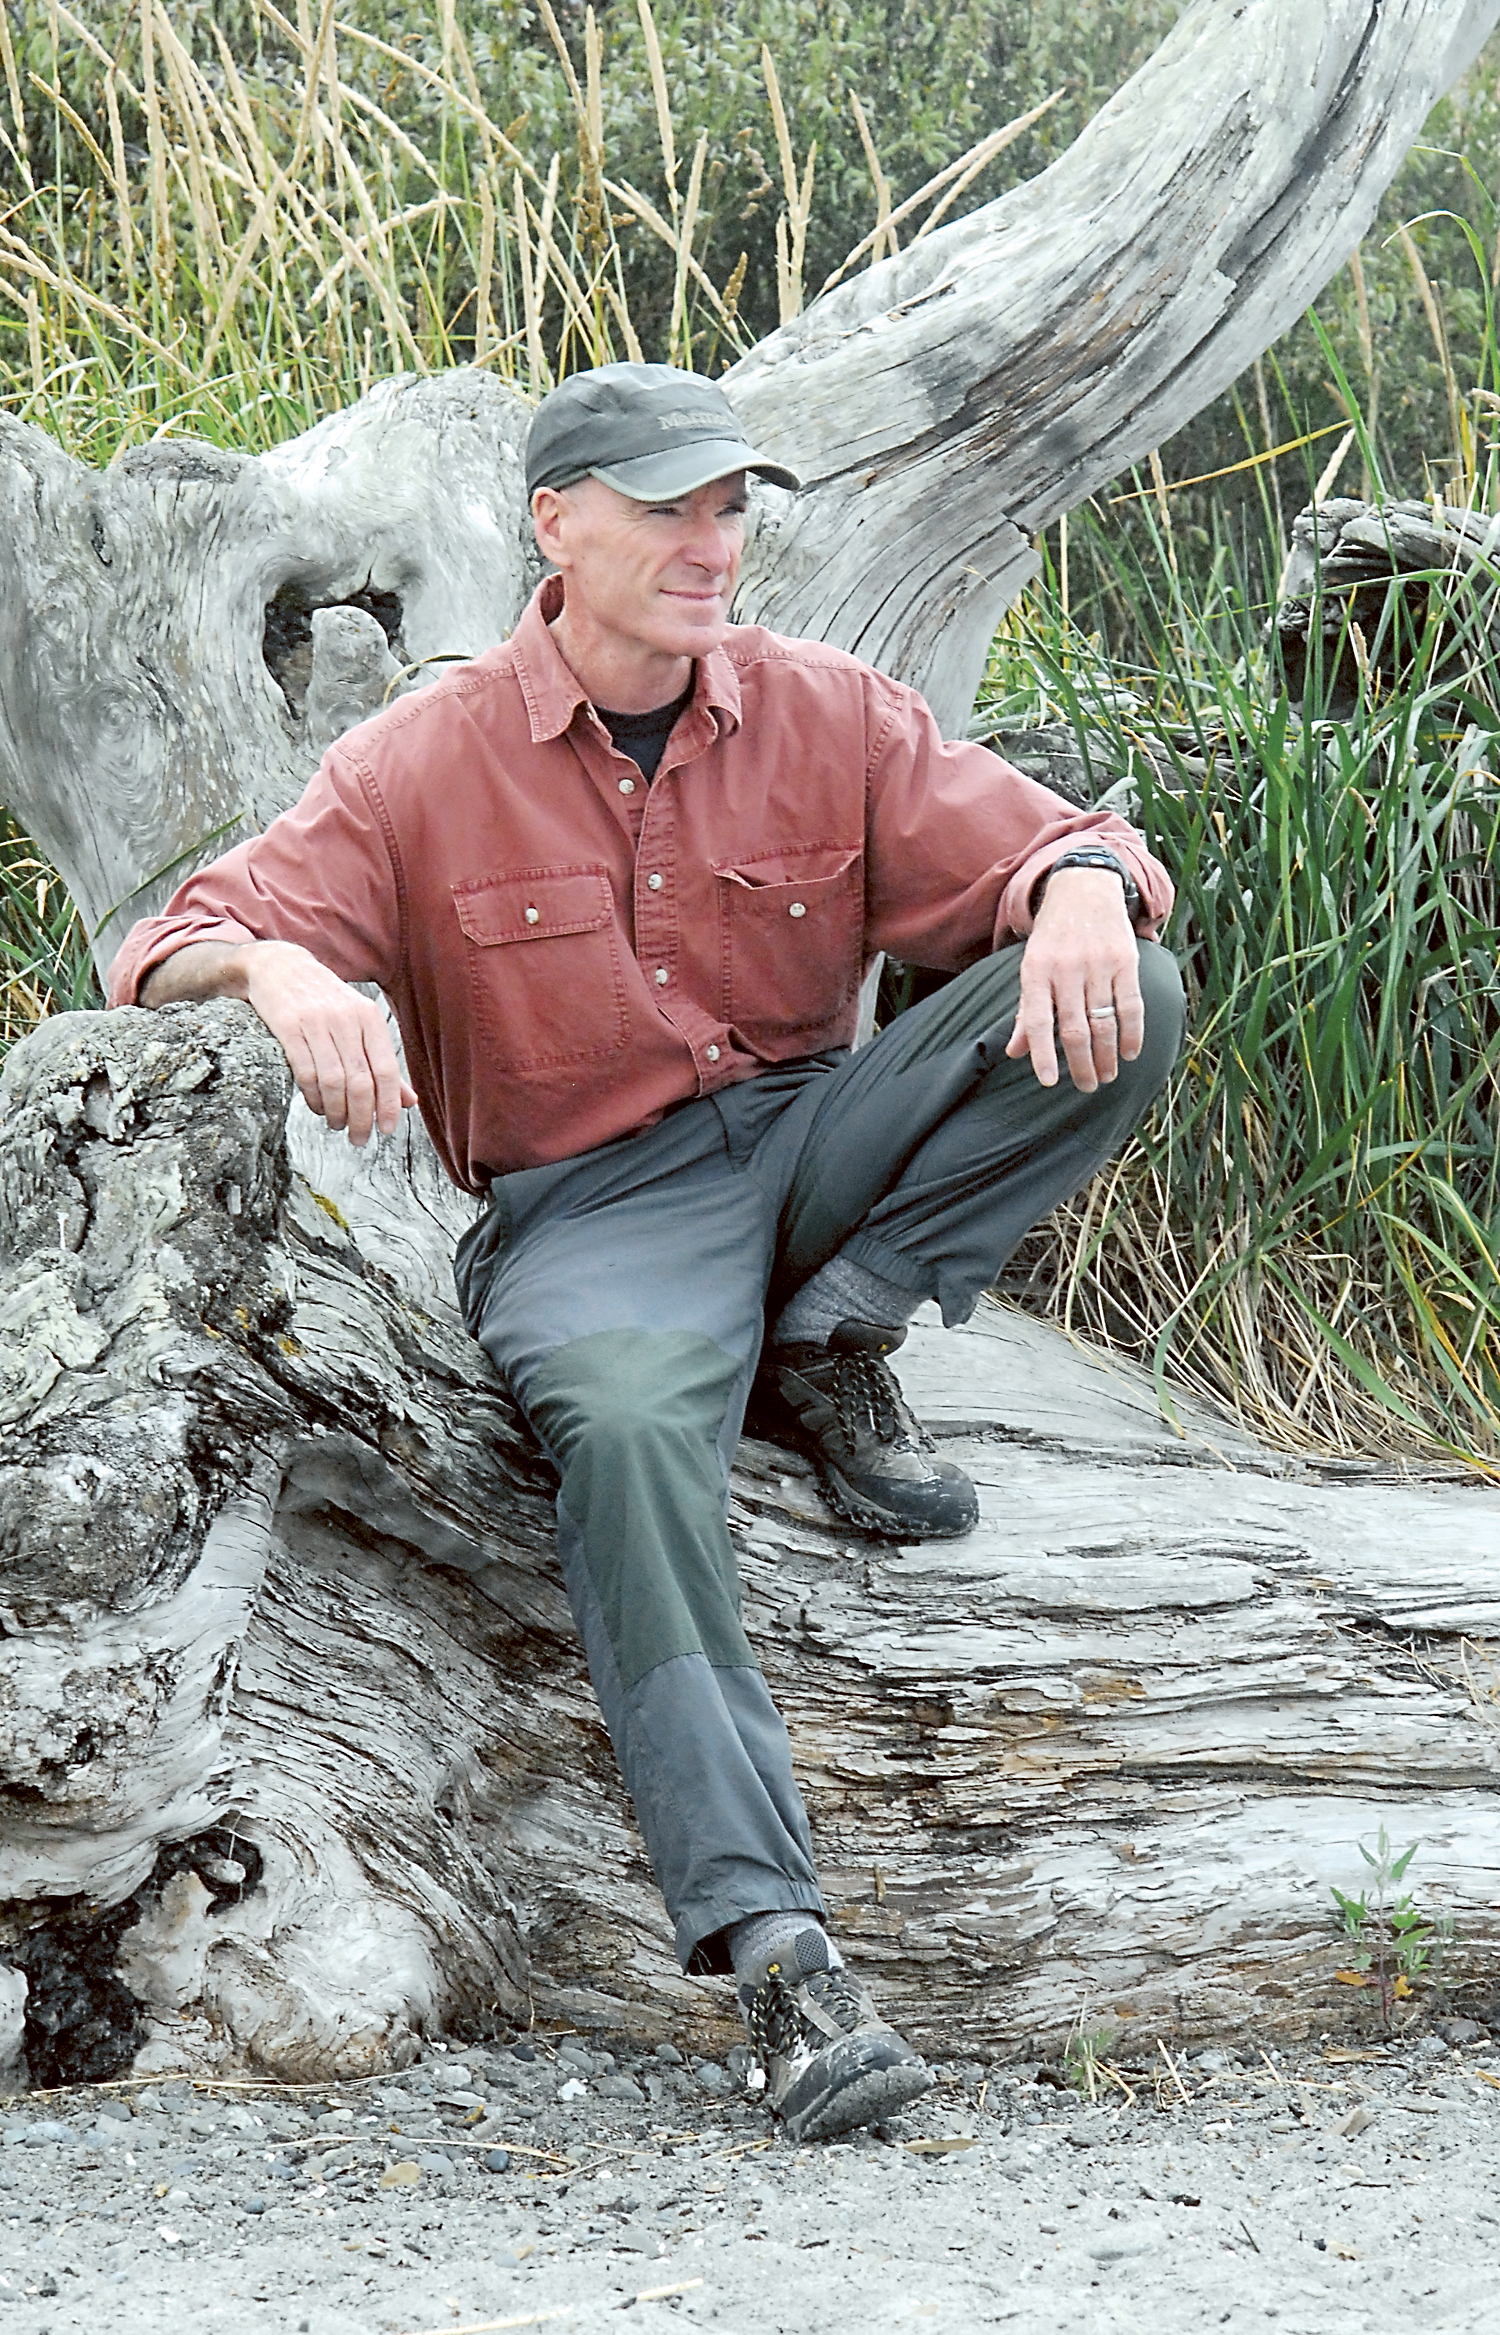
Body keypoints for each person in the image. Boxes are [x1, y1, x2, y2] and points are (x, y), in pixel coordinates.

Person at [109, 361, 1183, 2144]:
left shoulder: (828, 709)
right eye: (669, 508)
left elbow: (1069, 849)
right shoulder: (422, 761)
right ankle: (778, 1957)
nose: (711, 544)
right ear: (556, 524)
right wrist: (282, 968)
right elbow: (160, 945)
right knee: (618, 1437)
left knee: (1127, 984)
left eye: (730, 509)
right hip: (596, 1213)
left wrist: (1074, 885)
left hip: (816, 1145)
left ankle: (829, 1335)